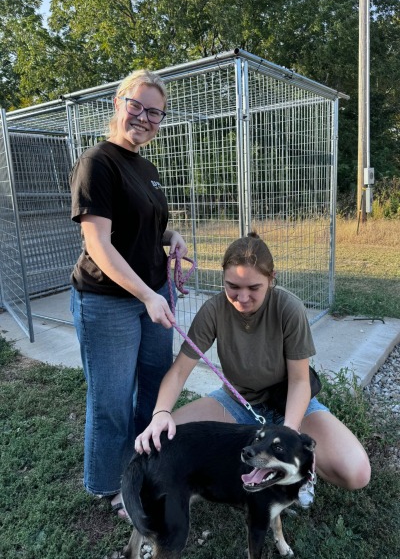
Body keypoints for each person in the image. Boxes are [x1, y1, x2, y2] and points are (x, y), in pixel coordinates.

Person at [135, 232, 371, 506]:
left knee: (357, 472)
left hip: (287, 405)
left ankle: (297, 473)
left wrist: (288, 433)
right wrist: (160, 413)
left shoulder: (288, 309)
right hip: (236, 403)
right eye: (232, 285)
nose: (242, 297)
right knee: (163, 442)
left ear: (272, 279)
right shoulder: (213, 311)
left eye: (254, 288)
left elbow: (299, 381)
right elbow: (178, 372)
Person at [69, 69, 187, 518]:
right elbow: (97, 242)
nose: (143, 118)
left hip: (151, 295)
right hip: (109, 302)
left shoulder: (147, 166)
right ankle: (110, 484)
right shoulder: (97, 162)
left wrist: (171, 235)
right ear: (119, 103)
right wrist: (146, 296)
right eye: (136, 105)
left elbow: (143, 224)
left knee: (154, 389)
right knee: (113, 399)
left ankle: (143, 468)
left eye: (154, 112)